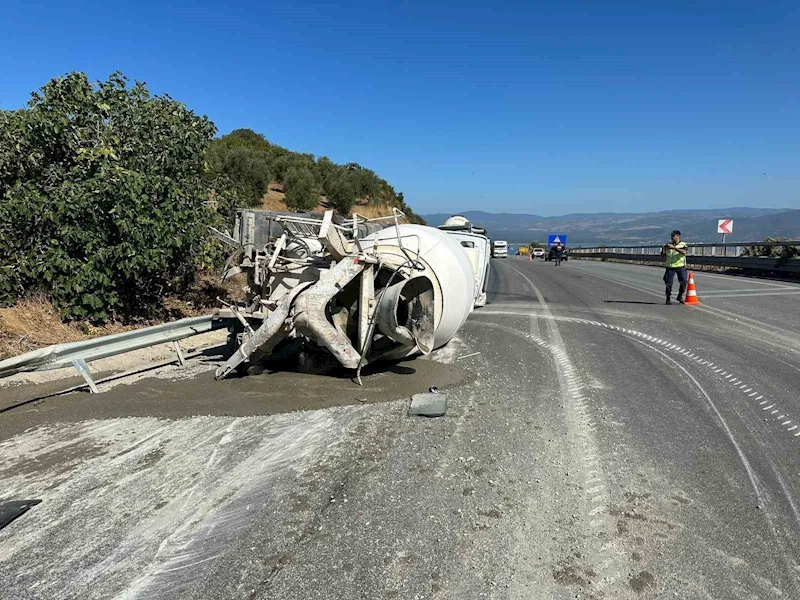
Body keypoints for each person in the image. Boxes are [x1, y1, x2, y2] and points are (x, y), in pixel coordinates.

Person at [661, 230, 688, 304]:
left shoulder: (683, 244)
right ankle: (668, 298)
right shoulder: (668, 245)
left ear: (678, 236)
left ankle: (679, 296)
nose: (672, 237)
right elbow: (663, 255)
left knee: (684, 282)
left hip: (680, 266)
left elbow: (684, 252)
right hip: (670, 267)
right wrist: (663, 249)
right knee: (668, 283)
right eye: (671, 236)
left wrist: (674, 248)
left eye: (673, 236)